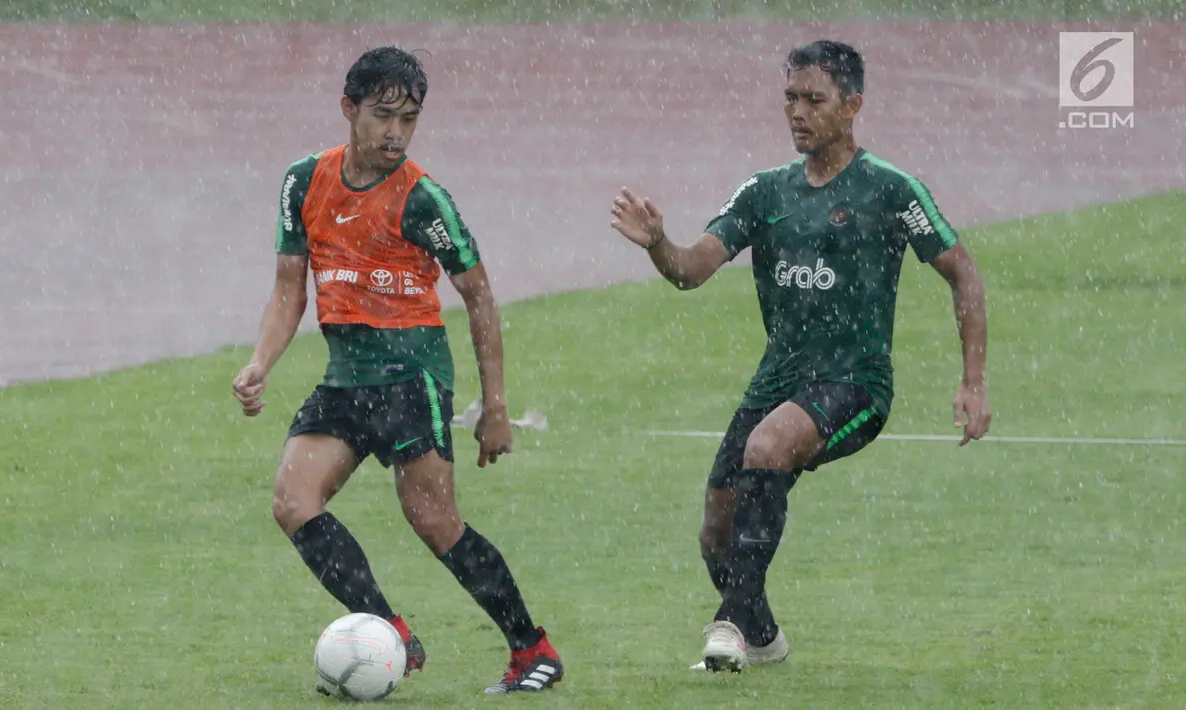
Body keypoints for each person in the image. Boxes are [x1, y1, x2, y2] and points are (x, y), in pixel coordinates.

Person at [608, 39, 992, 672]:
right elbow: (691, 270)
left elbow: (964, 273)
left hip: (855, 384)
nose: (798, 112)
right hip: (778, 381)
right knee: (715, 534)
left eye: (815, 99)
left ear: (853, 106)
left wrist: (973, 383)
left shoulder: (891, 190)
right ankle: (763, 639)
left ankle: (728, 624)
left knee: (767, 448)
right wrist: (657, 243)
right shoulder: (764, 192)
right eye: (790, 98)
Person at [231, 46, 563, 695]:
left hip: (413, 377)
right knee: (292, 501)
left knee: (434, 522)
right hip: (347, 376)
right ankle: (390, 634)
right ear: (348, 109)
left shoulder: (422, 199)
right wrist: (259, 363)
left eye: (408, 120)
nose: (395, 134)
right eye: (383, 116)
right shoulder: (304, 181)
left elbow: (479, 296)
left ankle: (533, 651)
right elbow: (288, 288)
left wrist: (495, 408)